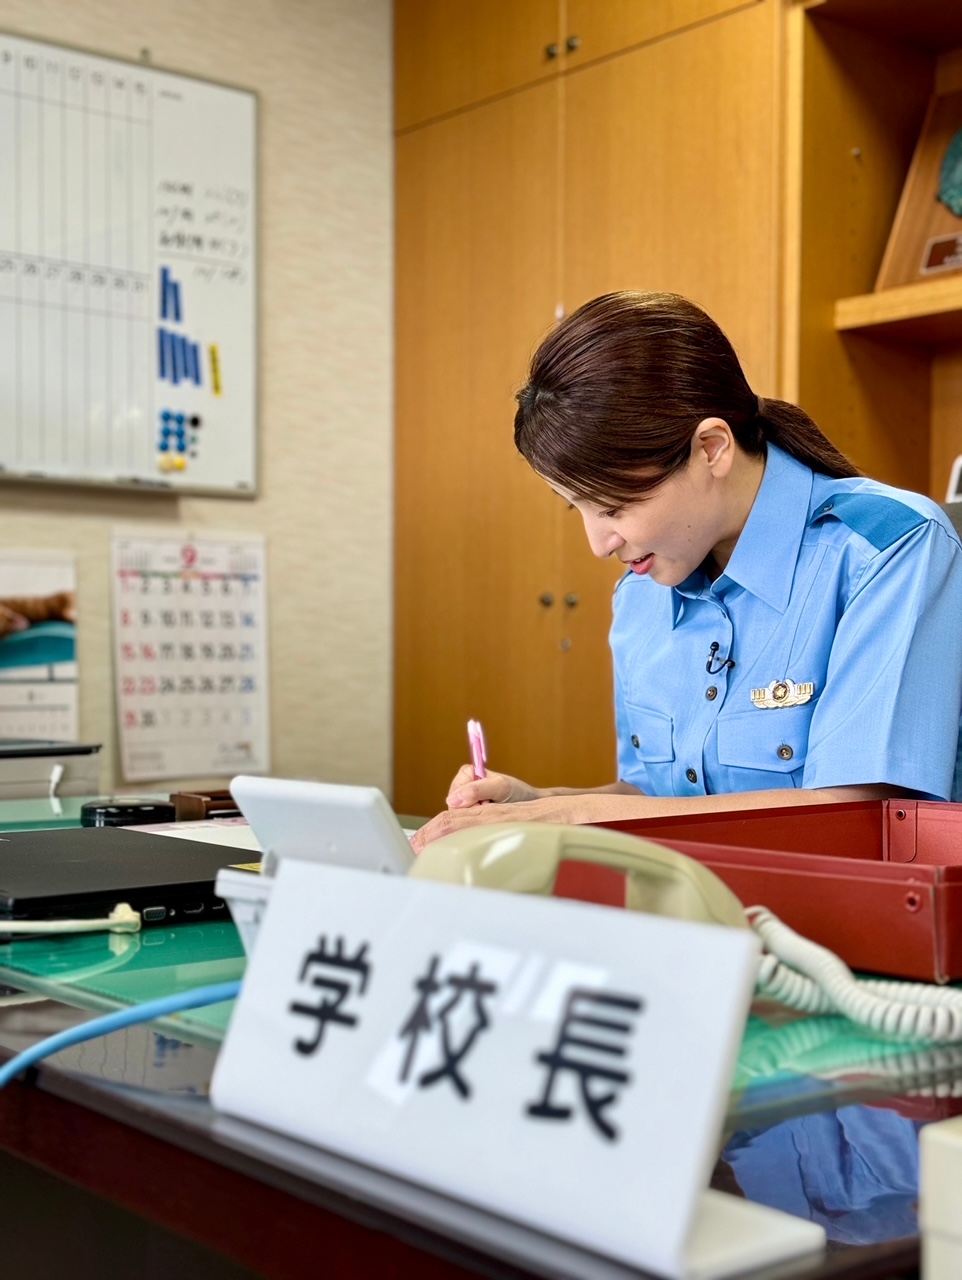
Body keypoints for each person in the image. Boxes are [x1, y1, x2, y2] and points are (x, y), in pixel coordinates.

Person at [411, 291, 962, 851]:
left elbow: (865, 819)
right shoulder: (641, 594)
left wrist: (571, 818)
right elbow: (660, 801)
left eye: (615, 506)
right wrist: (539, 806)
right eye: (574, 507)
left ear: (712, 448)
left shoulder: (890, 550)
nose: (599, 544)